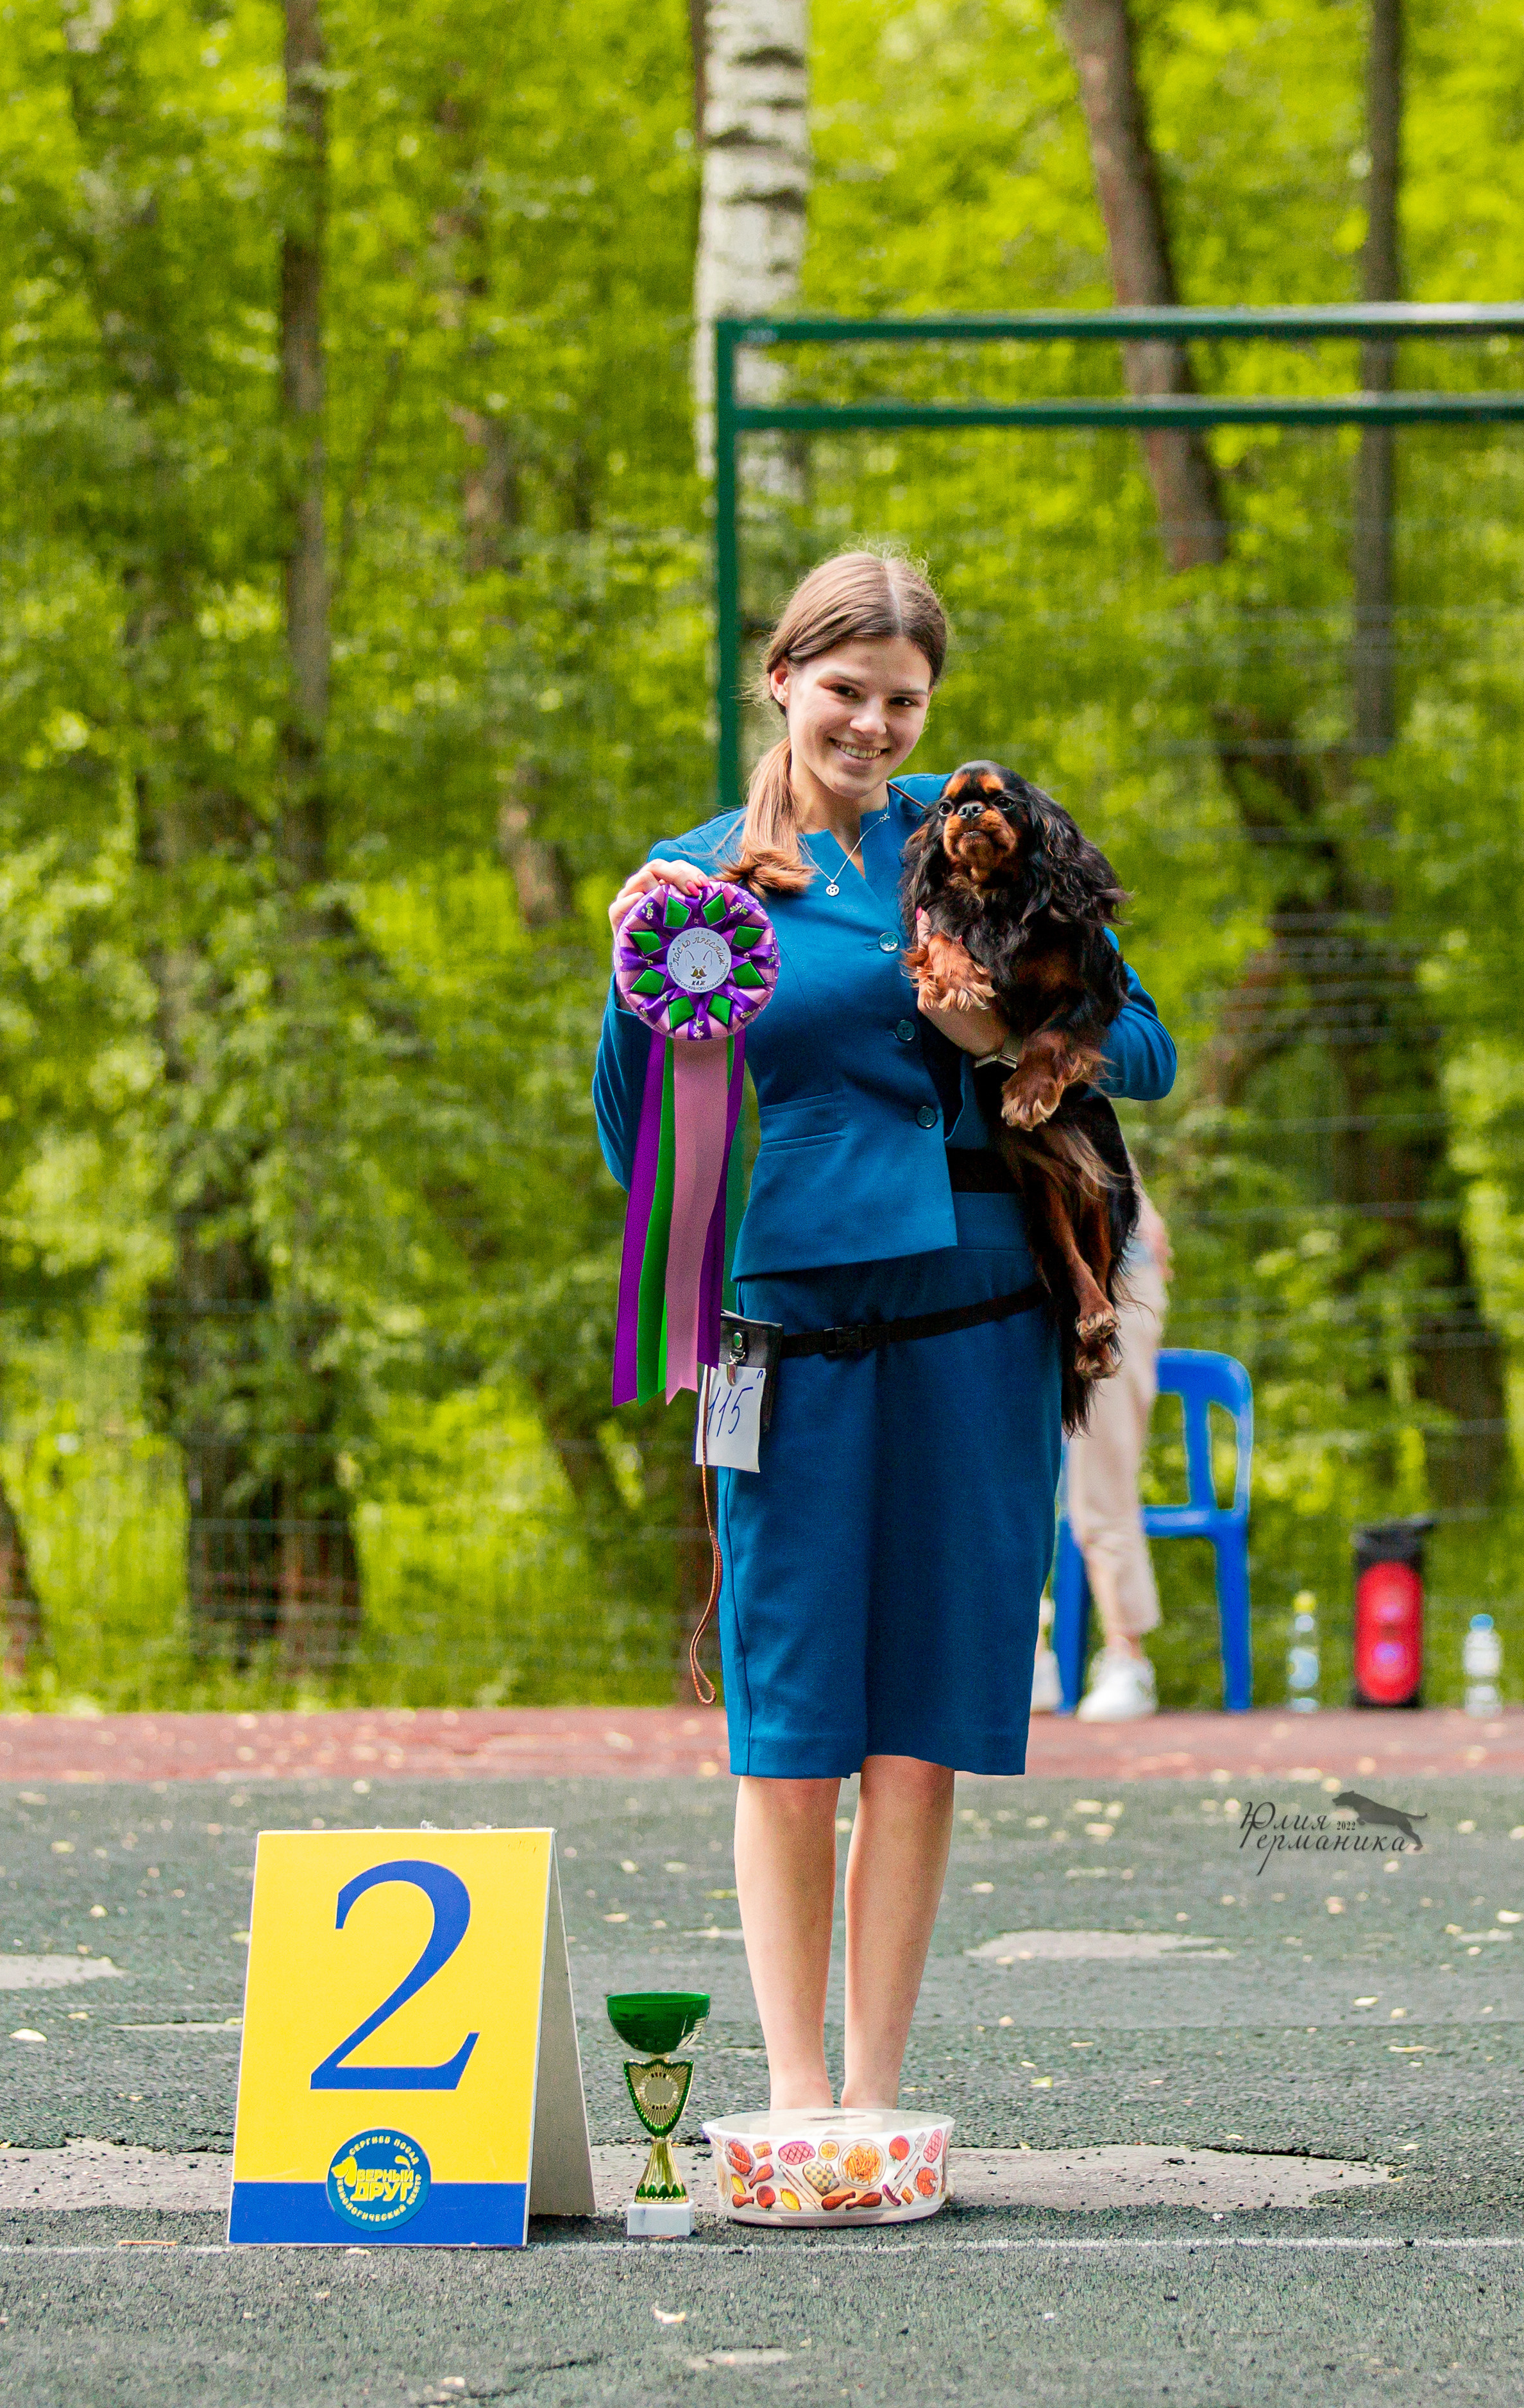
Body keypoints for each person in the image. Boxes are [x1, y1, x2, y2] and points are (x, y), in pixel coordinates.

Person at [593, 550, 1175, 2115]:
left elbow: (1151, 1043)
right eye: (843, 690)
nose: (870, 724)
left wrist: (1015, 1033)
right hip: (782, 1329)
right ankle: (792, 2102)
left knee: (918, 1725)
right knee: (788, 1721)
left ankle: (871, 2100)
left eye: (900, 701)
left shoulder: (979, 846)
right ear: (780, 679)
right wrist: (630, 982)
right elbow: (630, 1139)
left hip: (981, 1323)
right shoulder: (694, 881)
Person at [1029, 1184, 1173, 1721]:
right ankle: (1028, 1658)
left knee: (1101, 1474)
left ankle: (1126, 1658)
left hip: (1115, 1273)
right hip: (1012, 1268)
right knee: (1004, 1476)